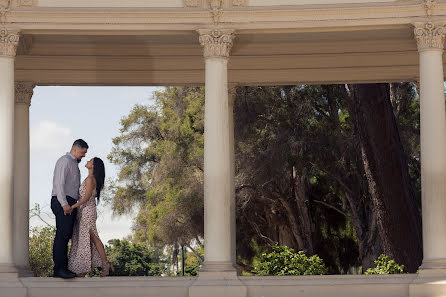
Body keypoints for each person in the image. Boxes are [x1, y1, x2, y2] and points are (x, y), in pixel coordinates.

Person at [68, 157, 114, 277]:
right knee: (88, 239)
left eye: (90, 161)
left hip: (87, 211)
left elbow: (86, 197)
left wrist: (72, 206)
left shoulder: (90, 179)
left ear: (93, 166)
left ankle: (104, 265)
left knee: (93, 238)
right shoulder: (90, 179)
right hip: (85, 211)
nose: (87, 161)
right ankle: (86, 269)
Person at [51, 139, 88, 279]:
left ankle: (63, 268)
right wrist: (64, 204)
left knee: (66, 236)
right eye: (83, 153)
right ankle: (59, 270)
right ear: (75, 150)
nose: (84, 156)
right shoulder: (65, 161)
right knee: (62, 235)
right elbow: (58, 184)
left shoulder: (74, 164)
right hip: (63, 201)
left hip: (70, 202)